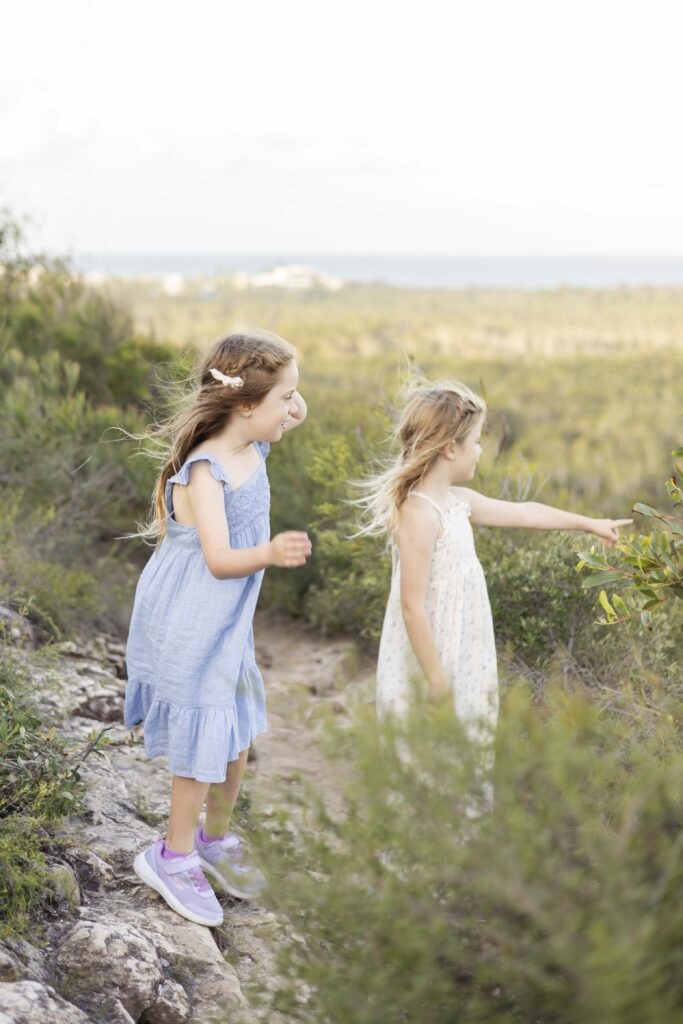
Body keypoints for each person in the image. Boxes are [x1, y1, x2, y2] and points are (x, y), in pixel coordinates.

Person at [356, 378, 632, 814]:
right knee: (428, 755)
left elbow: (526, 512)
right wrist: (435, 680)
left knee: (465, 747)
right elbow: (412, 606)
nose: (481, 450)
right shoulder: (419, 514)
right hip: (432, 654)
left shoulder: (456, 501)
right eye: (476, 440)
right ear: (450, 448)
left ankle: (461, 850)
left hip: (464, 648)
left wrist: (588, 522)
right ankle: (420, 863)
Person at [123, 330, 311, 928]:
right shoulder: (207, 472)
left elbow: (287, 409)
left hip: (226, 621)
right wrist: (271, 552)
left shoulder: (253, 442)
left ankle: (213, 839)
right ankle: (172, 856)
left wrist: (288, 388)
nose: (294, 410)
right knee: (203, 741)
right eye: (285, 398)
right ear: (246, 405)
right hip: (191, 614)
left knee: (236, 732)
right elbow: (219, 560)